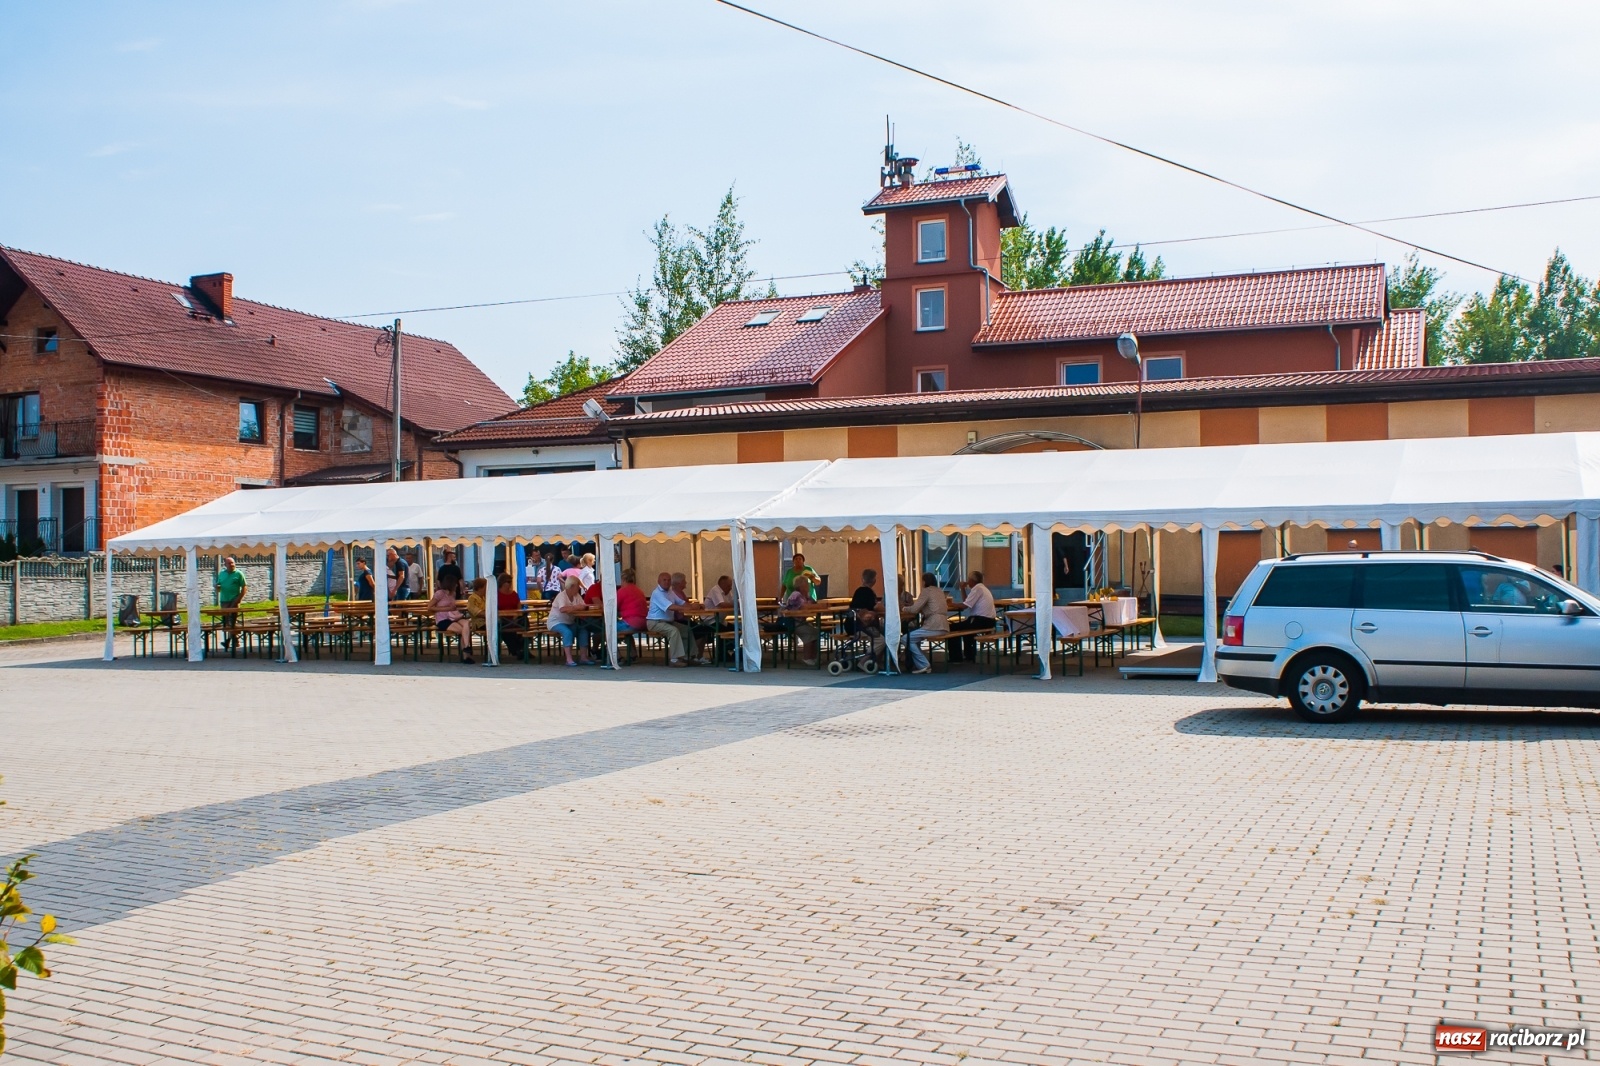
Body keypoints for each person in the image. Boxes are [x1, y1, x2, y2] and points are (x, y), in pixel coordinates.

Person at [905, 572, 951, 674]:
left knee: (906, 638)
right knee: (914, 638)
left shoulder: (926, 591)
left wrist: (903, 608)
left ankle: (923, 664)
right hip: (944, 625)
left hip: (933, 625)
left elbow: (915, 609)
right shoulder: (939, 591)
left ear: (924, 581)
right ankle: (921, 663)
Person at [647, 571, 694, 666]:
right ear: (658, 581)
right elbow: (670, 607)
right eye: (664, 580)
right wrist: (687, 608)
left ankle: (689, 656)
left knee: (687, 629)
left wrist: (693, 606)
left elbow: (681, 602)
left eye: (669, 580)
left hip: (668, 622)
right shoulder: (657, 593)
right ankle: (674, 660)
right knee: (674, 631)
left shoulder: (670, 592)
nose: (667, 582)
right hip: (655, 622)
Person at [949, 570, 997, 663]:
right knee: (966, 629)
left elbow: (965, 605)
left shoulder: (977, 589)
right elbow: (967, 601)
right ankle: (969, 655)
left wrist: (951, 604)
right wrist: (962, 589)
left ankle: (955, 657)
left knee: (952, 628)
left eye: (968, 579)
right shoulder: (981, 588)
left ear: (972, 580)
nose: (967, 581)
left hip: (981, 620)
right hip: (989, 621)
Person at [546, 575, 591, 667]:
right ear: (572, 586)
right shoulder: (561, 595)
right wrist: (575, 607)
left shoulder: (576, 596)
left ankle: (583, 657)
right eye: (577, 585)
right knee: (567, 632)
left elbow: (584, 606)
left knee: (583, 631)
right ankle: (569, 659)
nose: (579, 588)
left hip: (569, 622)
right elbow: (562, 609)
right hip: (556, 622)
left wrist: (575, 608)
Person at [428, 582, 473, 664]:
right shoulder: (439, 594)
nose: (456, 585)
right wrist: (446, 608)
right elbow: (430, 607)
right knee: (461, 630)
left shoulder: (453, 594)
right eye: (455, 584)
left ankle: (466, 647)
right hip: (443, 619)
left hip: (453, 616)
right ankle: (466, 655)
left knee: (466, 623)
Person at [214, 555, 247, 650]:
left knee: (232, 621)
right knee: (225, 622)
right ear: (225, 564)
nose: (231, 564)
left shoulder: (238, 574)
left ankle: (231, 640)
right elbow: (219, 586)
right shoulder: (222, 574)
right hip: (224, 600)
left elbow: (244, 587)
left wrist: (239, 599)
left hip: (234, 600)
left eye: (232, 563)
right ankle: (230, 640)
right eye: (229, 563)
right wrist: (217, 587)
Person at [495, 573, 526, 660]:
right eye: (508, 582)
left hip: (515, 618)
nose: (510, 584)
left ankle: (522, 649)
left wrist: (516, 617)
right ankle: (517, 650)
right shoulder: (496, 595)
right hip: (503, 619)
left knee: (525, 622)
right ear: (502, 583)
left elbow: (519, 606)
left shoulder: (514, 594)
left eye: (510, 581)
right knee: (505, 630)